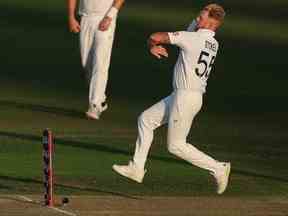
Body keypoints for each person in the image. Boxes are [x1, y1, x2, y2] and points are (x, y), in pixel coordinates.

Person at [113, 4, 231, 194]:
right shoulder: (213, 43)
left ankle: (218, 167)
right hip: (185, 95)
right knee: (146, 119)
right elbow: (196, 27)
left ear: (210, 21)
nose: (197, 18)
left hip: (185, 97)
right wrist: (204, 15)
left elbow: (156, 36)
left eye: (201, 16)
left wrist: (152, 46)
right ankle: (137, 168)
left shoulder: (191, 38)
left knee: (176, 146)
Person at [67, 0, 125, 119]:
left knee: (100, 62)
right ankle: (101, 100)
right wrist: (71, 17)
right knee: (87, 66)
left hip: (105, 17)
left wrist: (109, 16)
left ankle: (95, 105)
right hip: (86, 18)